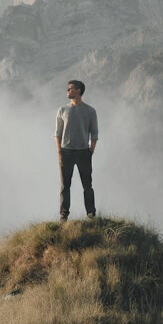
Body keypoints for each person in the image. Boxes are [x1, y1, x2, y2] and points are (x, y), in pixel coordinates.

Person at [55, 80, 98, 220]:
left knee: (87, 185)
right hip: (66, 152)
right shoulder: (62, 110)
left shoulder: (90, 111)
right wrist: (59, 151)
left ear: (79, 90)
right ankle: (63, 216)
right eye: (68, 89)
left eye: (70, 88)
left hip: (83, 152)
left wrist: (90, 150)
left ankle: (91, 214)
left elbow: (94, 133)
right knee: (65, 186)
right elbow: (57, 133)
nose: (67, 91)